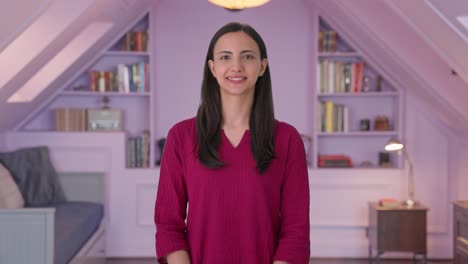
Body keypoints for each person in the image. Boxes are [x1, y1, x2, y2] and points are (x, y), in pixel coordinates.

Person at [154, 22, 310, 264]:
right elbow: (168, 226)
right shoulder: (181, 136)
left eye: (247, 56)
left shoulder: (287, 139)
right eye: (225, 57)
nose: (236, 67)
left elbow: (296, 231)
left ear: (262, 66)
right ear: (213, 68)